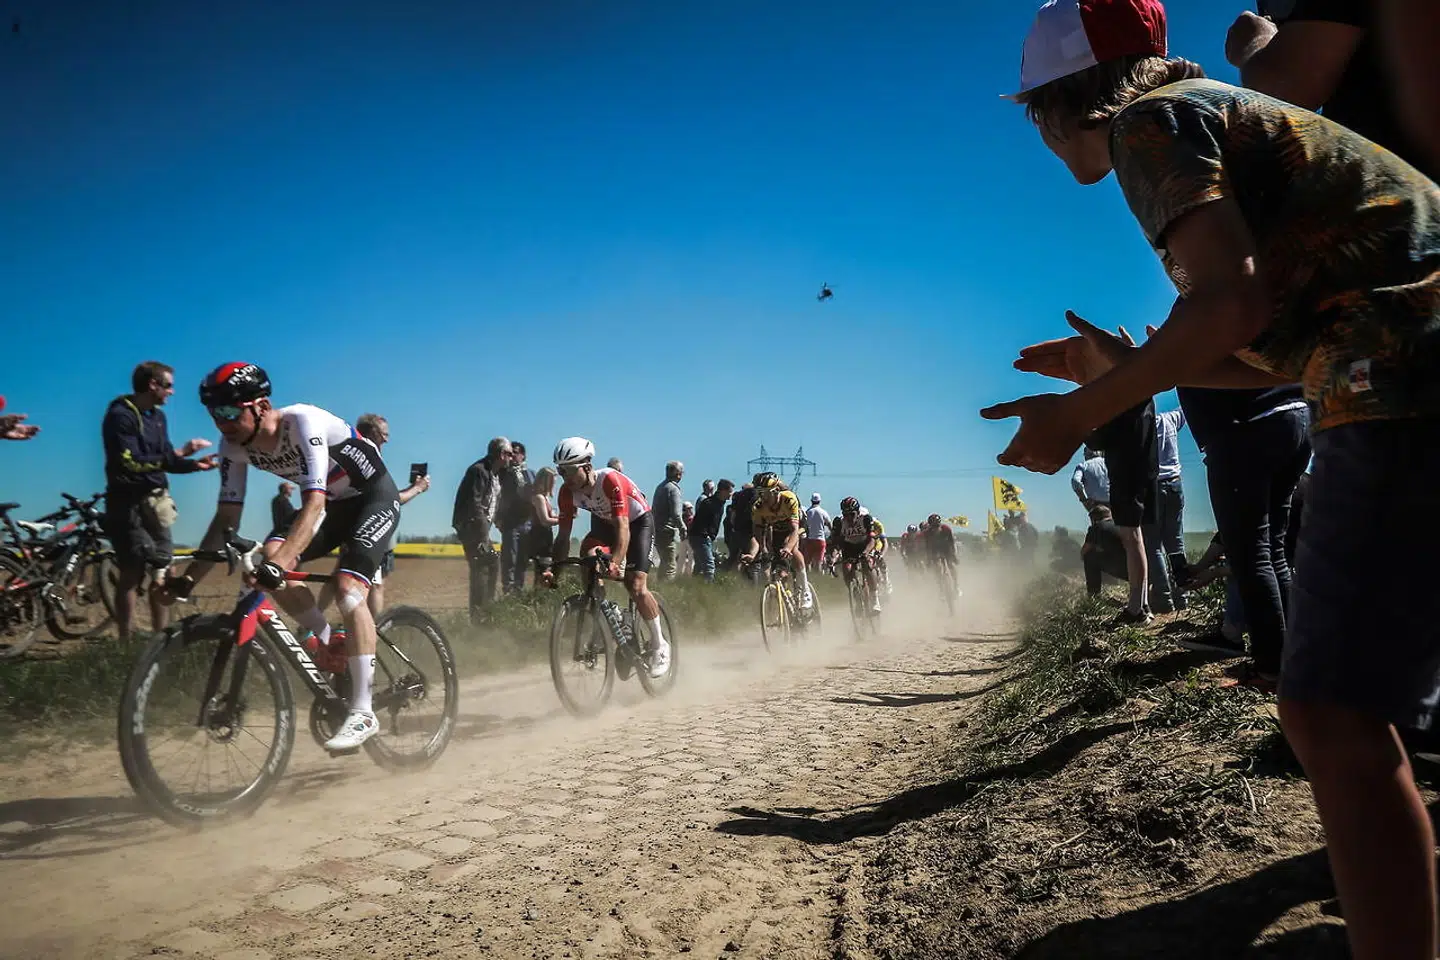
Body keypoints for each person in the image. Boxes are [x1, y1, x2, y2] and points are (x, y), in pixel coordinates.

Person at [986, 2, 1440, 954]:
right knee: (1344, 713)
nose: (1039, 134)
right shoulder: (1203, 110)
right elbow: (1269, 345)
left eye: (1034, 113)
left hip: (1398, 366)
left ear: (1063, 105)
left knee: (1333, 713)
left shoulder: (1153, 126)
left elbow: (1231, 304)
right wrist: (1118, 370)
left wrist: (1080, 415)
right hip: (1390, 356)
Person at [162, 362, 397, 752]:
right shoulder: (233, 447)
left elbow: (314, 503)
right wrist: (189, 579)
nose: (221, 422)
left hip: (371, 497)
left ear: (261, 405)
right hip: (333, 508)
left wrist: (281, 563)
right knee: (266, 557)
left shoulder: (301, 423)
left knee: (347, 588)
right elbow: (226, 518)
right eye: (213, 413)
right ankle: (328, 642)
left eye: (228, 411)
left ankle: (363, 710)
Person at [102, 361, 217, 643]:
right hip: (126, 505)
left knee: (165, 567)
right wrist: (171, 459)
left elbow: (165, 458)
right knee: (133, 572)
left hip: (157, 503)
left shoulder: (158, 417)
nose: (172, 392)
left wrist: (193, 465)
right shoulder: (120, 415)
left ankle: (161, 639)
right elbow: (128, 462)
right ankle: (125, 642)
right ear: (152, 385)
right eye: (168, 386)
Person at [544, 437, 671, 678]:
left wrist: (614, 562)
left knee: (635, 585)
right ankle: (605, 610)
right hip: (605, 524)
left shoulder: (609, 480)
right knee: (587, 556)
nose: (565, 478)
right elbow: (563, 537)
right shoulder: (566, 492)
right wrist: (554, 570)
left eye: (570, 471)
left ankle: (660, 644)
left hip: (638, 522)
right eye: (561, 471)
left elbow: (624, 528)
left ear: (587, 466)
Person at [355, 413, 431, 617]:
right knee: (374, 586)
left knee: (351, 581)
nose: (387, 439)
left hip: (358, 529)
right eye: (384, 434)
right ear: (373, 433)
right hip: (372, 534)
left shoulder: (356, 456)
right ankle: (372, 630)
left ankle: (311, 625)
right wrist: (418, 489)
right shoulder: (370, 460)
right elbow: (389, 501)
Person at [453, 437, 511, 622]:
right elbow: (474, 503)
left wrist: (498, 522)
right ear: (501, 454)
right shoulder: (478, 471)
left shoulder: (494, 474)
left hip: (480, 529)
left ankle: (485, 611)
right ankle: (479, 617)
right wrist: (484, 535)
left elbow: (492, 503)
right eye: (509, 453)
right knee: (480, 570)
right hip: (472, 529)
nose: (512, 457)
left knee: (491, 565)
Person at [740, 473, 814, 609]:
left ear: (776, 492)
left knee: (791, 547)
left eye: (766, 493)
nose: (763, 497)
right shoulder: (758, 507)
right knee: (778, 568)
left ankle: (805, 591)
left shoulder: (788, 499)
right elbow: (758, 534)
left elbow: (794, 530)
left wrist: (787, 548)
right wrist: (758, 552)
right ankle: (786, 604)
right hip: (777, 528)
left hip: (797, 525)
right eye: (760, 493)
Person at [1153, 407, 1190, 597]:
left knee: (1153, 545)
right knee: (1176, 543)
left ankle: (1163, 596)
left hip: (1153, 487)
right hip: (1175, 483)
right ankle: (1183, 592)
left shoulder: (1141, 426)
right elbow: (1185, 410)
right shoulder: (1171, 419)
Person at [828, 496, 881, 613]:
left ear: (857, 512)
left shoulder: (866, 518)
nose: (849, 518)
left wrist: (866, 552)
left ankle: (874, 597)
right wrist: (833, 558)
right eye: (846, 515)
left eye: (852, 515)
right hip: (849, 545)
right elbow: (836, 544)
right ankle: (856, 596)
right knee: (846, 569)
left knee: (867, 564)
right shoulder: (839, 521)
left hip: (865, 543)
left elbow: (872, 540)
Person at [497, 441, 535, 594]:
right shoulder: (502, 474)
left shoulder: (531, 474)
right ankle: (508, 592)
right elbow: (497, 497)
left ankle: (518, 591)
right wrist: (497, 519)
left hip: (528, 522)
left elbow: (538, 496)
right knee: (509, 558)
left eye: (516, 452)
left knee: (523, 559)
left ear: (523, 455)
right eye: (510, 453)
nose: (513, 456)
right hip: (509, 522)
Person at [1081, 505, 1131, 597]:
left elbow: (1084, 551)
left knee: (1089, 556)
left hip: (1121, 569)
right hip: (1137, 570)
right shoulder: (1123, 525)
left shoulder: (1096, 528)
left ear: (1094, 518)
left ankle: (1093, 594)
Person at [689, 479, 732, 582]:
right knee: (709, 566)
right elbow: (699, 521)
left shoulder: (720, 503)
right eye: (729, 491)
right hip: (700, 537)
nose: (731, 494)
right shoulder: (709, 503)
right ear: (722, 491)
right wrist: (706, 535)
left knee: (699, 566)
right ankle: (708, 589)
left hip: (704, 538)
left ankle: (693, 588)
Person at [652, 461, 686, 581]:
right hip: (667, 531)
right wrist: (683, 528)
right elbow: (676, 514)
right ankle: (668, 592)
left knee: (664, 562)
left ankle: (660, 588)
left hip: (657, 530)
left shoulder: (660, 487)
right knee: (670, 565)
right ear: (678, 474)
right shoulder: (673, 489)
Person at [526, 466, 561, 581]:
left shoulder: (545, 497)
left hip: (545, 536)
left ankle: (539, 595)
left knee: (545, 568)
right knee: (543, 569)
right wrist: (563, 520)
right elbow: (544, 520)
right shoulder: (539, 498)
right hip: (540, 537)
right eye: (552, 482)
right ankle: (538, 595)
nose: (554, 485)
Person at [725, 482, 757, 574]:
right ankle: (751, 583)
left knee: (736, 558)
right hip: (751, 530)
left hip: (737, 531)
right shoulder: (754, 496)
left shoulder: (737, 498)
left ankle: (733, 580)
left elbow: (732, 517)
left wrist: (735, 527)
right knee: (753, 560)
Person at [1070, 446, 1109, 512]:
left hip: (1097, 505)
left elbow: (1075, 481)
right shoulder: (1110, 462)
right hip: (1117, 501)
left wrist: (1084, 500)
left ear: (1086, 454)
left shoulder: (1083, 465)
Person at [801, 493, 831, 571]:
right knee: (818, 562)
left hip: (810, 539)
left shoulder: (808, 512)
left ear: (811, 501)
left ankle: (809, 579)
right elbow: (830, 525)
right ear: (819, 501)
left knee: (807, 562)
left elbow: (804, 526)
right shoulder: (823, 512)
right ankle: (819, 579)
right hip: (821, 540)